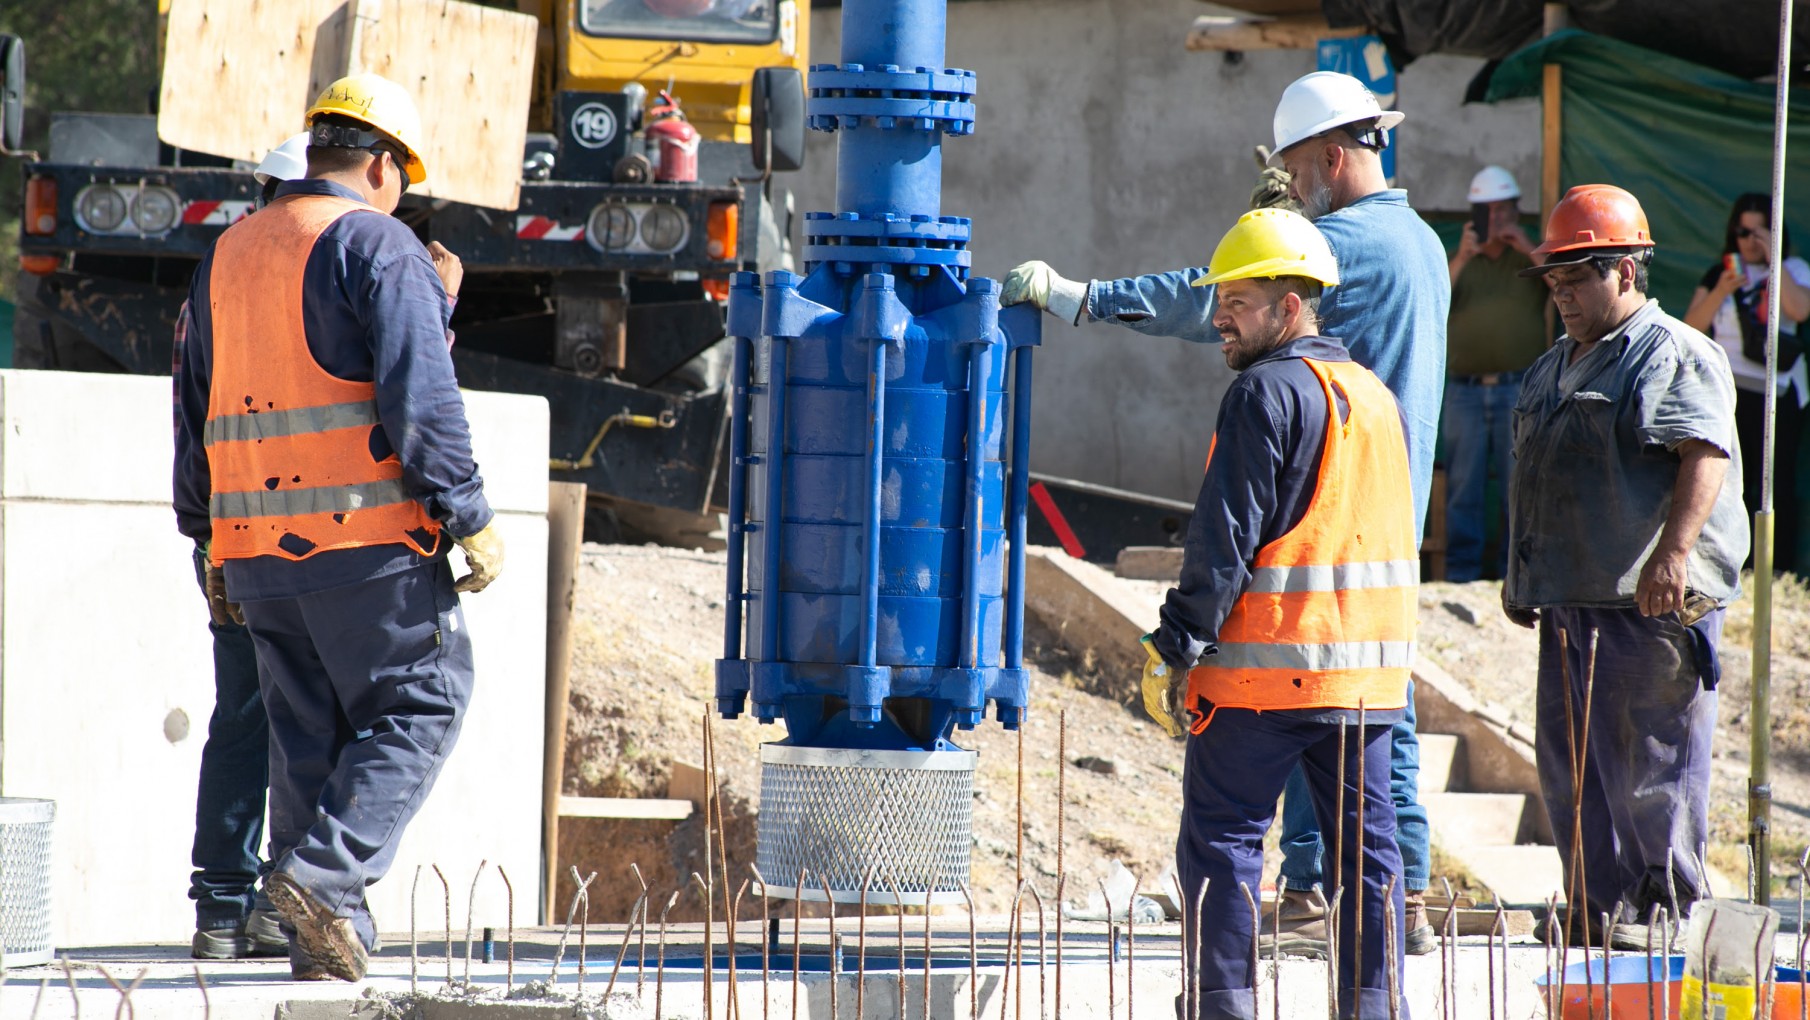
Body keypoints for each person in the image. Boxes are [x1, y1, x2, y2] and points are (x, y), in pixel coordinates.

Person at [1002, 69, 1447, 955]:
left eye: (1292, 167)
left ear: (1329, 154)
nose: (1289, 185)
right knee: (1365, 720)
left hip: (1323, 514)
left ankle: (1343, 904)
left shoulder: (1348, 248)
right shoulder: (1424, 242)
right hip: (1381, 520)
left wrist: (1082, 296)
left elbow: (1209, 289)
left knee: (1302, 719)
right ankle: (1382, 909)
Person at [172, 72, 504, 982]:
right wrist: (468, 515)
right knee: (422, 701)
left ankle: (322, 935)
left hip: (256, 555)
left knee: (308, 730)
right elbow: (419, 398)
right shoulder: (378, 243)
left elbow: (193, 401)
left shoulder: (230, 253)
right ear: (385, 165)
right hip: (365, 541)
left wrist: (205, 535)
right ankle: (322, 880)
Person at [1140, 208, 1415, 1019]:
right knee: (1368, 855)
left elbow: (1223, 541)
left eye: (1239, 302)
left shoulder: (1263, 391)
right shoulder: (1373, 396)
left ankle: (1222, 1006)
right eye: (1220, 299)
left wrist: (1177, 643)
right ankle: (1374, 1005)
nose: (1219, 317)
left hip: (1260, 682)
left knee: (1223, 845)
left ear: (1290, 307)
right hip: (1362, 685)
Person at [1505, 184, 1747, 949]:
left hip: (1649, 607)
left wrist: (1674, 555)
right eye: (1556, 280)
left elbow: (1704, 453)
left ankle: (1666, 912)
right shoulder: (1552, 367)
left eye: (1579, 277)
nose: (1564, 293)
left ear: (1627, 272)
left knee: (1653, 768)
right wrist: (1524, 575)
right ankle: (1598, 907)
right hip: (1573, 601)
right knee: (1571, 768)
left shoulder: (1674, 351)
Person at [1681, 192, 1810, 572]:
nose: (1750, 240)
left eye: (1761, 231)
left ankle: (1777, 569)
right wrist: (1723, 288)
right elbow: (1691, 329)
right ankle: (1727, 565)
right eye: (1743, 231)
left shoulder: (1795, 268)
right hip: (1728, 392)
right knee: (1726, 480)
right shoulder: (1720, 272)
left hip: (1778, 392)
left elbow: (1798, 309)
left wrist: (1774, 258)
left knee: (1774, 484)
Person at [1441, 165, 1549, 581]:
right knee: (1463, 485)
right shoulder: (1460, 257)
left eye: (1504, 210)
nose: (1497, 219)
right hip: (1464, 389)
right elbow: (1436, 300)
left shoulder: (1529, 256)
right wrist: (1464, 255)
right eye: (1488, 211)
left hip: (1517, 387)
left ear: (1517, 212)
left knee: (1517, 483)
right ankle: (1461, 574)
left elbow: (1563, 287)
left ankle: (1515, 575)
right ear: (1475, 214)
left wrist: (1527, 246)